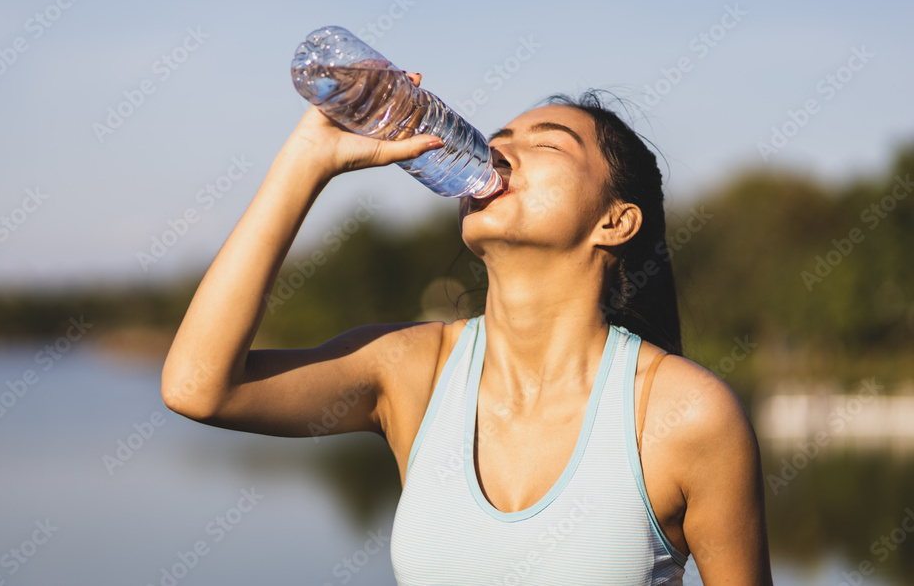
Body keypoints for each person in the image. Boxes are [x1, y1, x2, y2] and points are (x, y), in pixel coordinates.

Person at [161, 73, 773, 585]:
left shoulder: (683, 414)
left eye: (549, 145)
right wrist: (306, 161)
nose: (497, 154)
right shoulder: (412, 372)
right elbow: (199, 387)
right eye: (496, 140)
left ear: (616, 221)